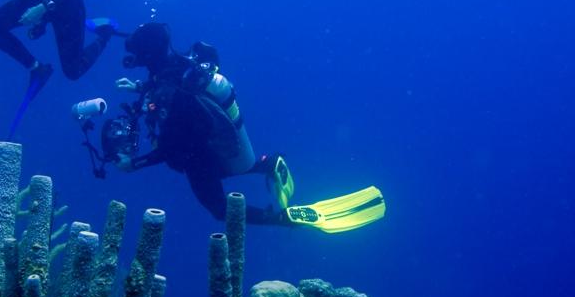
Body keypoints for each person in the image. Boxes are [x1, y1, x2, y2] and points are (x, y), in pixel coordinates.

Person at [105, 23, 386, 232]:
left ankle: (283, 219)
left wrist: (135, 163)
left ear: (147, 54)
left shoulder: (168, 89)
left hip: (197, 154)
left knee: (219, 208)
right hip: (211, 143)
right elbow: (168, 85)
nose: (135, 60)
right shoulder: (179, 64)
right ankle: (268, 163)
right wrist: (141, 87)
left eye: (138, 54)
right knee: (227, 168)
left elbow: (168, 147)